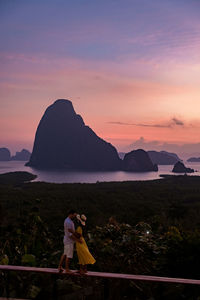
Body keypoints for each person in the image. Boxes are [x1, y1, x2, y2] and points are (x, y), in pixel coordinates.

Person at [58, 209, 82, 273]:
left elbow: (71, 232)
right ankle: (67, 269)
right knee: (69, 255)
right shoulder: (68, 222)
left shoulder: (68, 221)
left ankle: (60, 267)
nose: (74, 216)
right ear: (71, 214)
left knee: (65, 254)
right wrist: (77, 240)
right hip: (69, 241)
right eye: (74, 215)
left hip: (67, 240)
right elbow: (70, 235)